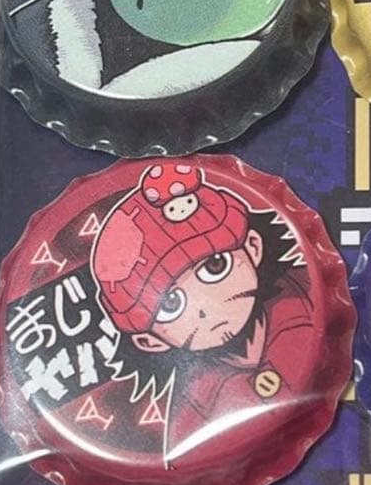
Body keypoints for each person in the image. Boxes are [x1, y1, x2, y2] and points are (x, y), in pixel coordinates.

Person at [91, 162, 314, 467]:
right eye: (170, 304)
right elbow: (185, 462)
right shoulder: (195, 413)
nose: (203, 307)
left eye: (215, 266)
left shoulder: (301, 290)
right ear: (149, 341)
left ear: (253, 247)